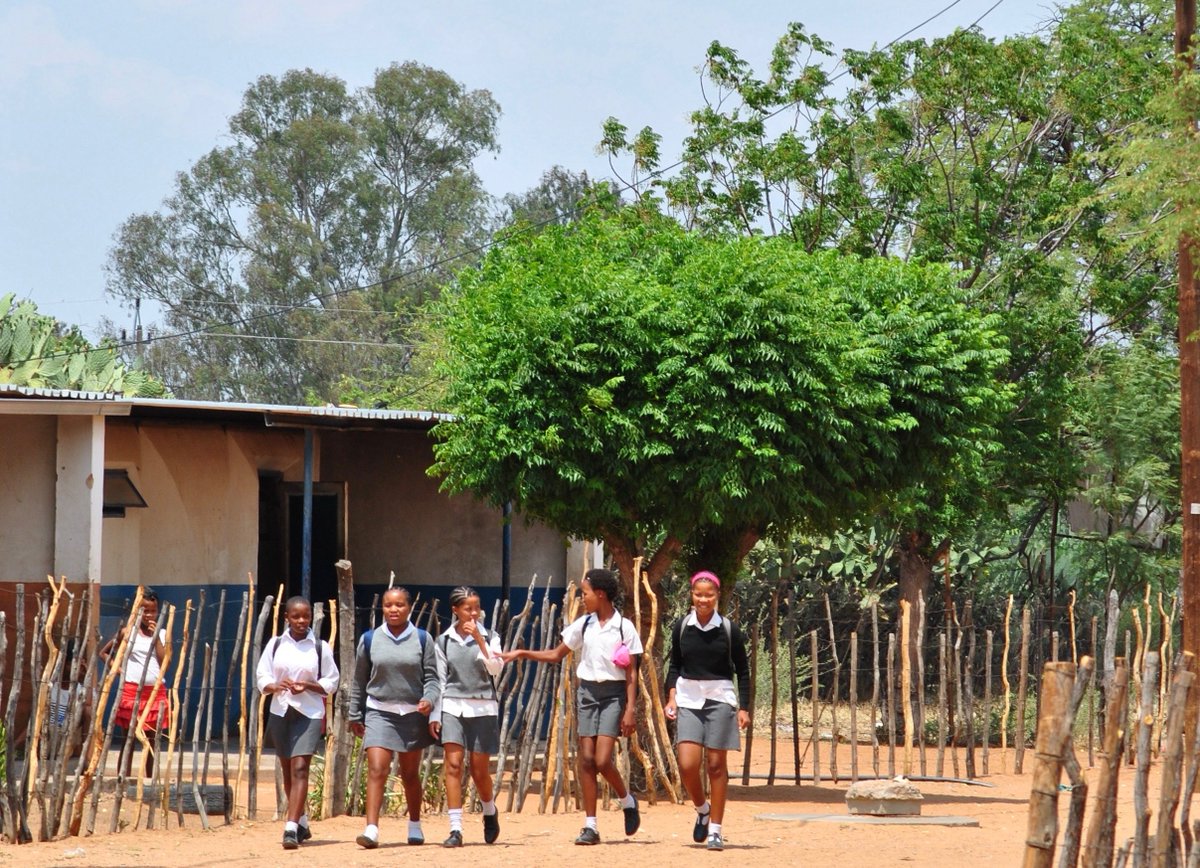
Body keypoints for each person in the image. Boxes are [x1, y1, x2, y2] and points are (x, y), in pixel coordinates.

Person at [501, 567, 642, 845]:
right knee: (586, 760)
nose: (582, 597)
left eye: (585, 592)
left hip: (613, 695)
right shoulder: (584, 624)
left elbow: (632, 673)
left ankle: (627, 800)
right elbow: (556, 654)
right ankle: (590, 826)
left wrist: (629, 709)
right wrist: (522, 652)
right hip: (587, 693)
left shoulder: (625, 627)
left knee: (602, 760)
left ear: (600, 594)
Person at [664, 570, 752, 852]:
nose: (703, 599)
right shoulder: (682, 627)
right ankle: (702, 808)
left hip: (720, 699)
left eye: (709, 595)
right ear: (692, 595)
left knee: (716, 766)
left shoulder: (728, 629)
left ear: (718, 596)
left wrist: (745, 707)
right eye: (698, 594)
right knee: (688, 765)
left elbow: (743, 671)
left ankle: (715, 829)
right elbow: (674, 666)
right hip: (689, 699)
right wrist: (671, 697)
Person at [348, 586, 439, 848]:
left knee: (409, 773)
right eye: (388, 605)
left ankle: (415, 824)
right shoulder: (369, 639)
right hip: (380, 712)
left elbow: (432, 678)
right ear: (382, 608)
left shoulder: (422, 639)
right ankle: (372, 829)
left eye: (399, 605)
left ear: (409, 607)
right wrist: (355, 714)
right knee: (377, 768)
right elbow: (359, 679)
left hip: (412, 715)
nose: (393, 610)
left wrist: (429, 700)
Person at [256, 596, 339, 850]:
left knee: (301, 767)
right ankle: (302, 821)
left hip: (309, 713)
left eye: (306, 617)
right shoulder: (276, 644)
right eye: (296, 616)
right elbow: (262, 674)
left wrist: (309, 686)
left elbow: (332, 680)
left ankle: (290, 828)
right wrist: (273, 685)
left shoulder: (320, 647)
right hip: (281, 711)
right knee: (288, 770)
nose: (301, 621)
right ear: (286, 618)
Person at [429, 586, 504, 847]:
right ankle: (455, 828)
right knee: (453, 765)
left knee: (479, 769)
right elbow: (440, 679)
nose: (474, 613)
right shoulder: (444, 641)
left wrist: (481, 642)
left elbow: (495, 669)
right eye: (468, 608)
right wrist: (435, 715)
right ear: (455, 610)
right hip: (452, 705)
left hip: (483, 707)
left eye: (476, 607)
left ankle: (489, 811)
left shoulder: (491, 636)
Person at [99, 589, 170, 779]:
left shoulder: (162, 634)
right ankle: (123, 780)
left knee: (152, 742)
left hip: (155, 694)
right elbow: (104, 653)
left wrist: (156, 639)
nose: (148, 616)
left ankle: (150, 781)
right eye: (144, 611)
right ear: (136, 611)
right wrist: (118, 669)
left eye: (152, 611)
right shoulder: (128, 633)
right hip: (131, 693)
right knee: (128, 739)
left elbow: (165, 663)